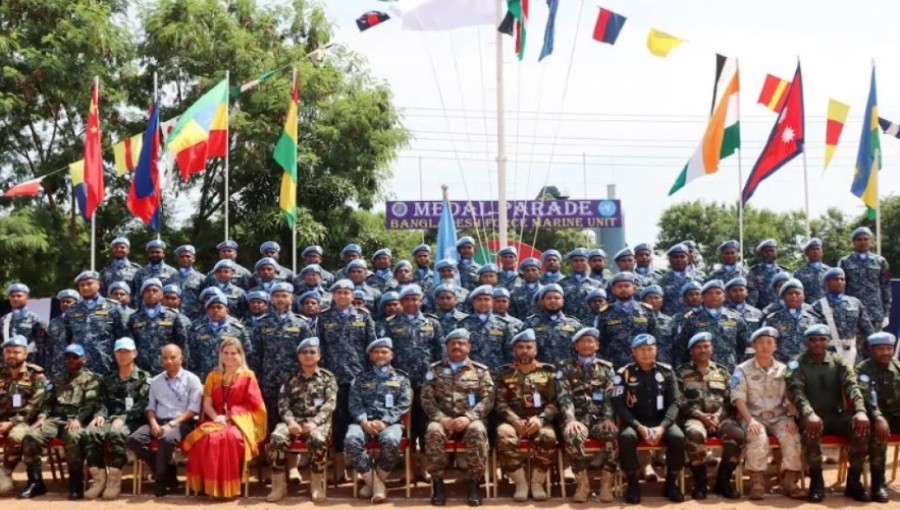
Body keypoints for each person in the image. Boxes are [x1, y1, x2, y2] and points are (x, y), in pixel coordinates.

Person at [786, 324, 869, 502]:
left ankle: (854, 482)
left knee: (861, 429)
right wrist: (809, 413)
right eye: (813, 340)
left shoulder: (838, 361)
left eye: (822, 339)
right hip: (811, 417)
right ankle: (817, 482)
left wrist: (860, 411)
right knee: (811, 433)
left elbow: (852, 386)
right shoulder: (796, 363)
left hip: (836, 415)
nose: (817, 343)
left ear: (828, 342)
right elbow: (796, 391)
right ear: (806, 342)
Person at [182, 337, 267, 499]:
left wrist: (229, 416)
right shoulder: (213, 376)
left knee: (229, 438)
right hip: (215, 419)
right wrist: (216, 417)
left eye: (233, 353)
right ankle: (208, 486)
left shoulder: (248, 376)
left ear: (240, 355)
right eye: (225, 353)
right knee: (206, 439)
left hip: (239, 422)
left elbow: (255, 405)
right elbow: (207, 403)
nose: (229, 356)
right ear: (220, 354)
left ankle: (227, 489)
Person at [375, 283, 443, 479]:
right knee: (403, 425)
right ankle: (408, 465)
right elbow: (385, 354)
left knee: (424, 424)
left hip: (426, 383)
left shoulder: (433, 323)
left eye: (415, 298)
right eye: (407, 299)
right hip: (398, 384)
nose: (411, 302)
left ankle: (423, 465)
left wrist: (437, 378)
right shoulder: (390, 324)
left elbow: (440, 353)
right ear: (401, 302)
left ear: (421, 300)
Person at [421, 328, 495, 506]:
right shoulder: (434, 370)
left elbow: (488, 398)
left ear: (468, 347)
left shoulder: (480, 371)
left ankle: (474, 482)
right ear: (446, 347)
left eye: (461, 343)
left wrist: (469, 417)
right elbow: (426, 398)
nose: (457, 346)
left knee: (477, 430)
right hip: (443, 419)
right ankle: (437, 483)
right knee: (433, 432)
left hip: (470, 420)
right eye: (453, 343)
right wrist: (441, 418)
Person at [731, 327, 805, 499]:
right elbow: (738, 398)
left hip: (780, 416)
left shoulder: (784, 369)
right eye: (761, 343)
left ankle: (790, 481)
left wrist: (792, 418)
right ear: (754, 346)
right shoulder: (742, 370)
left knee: (791, 435)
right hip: (753, 416)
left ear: (775, 346)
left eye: (769, 343)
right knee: (757, 436)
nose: (765, 346)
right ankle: (757, 482)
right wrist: (749, 421)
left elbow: (791, 397)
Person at [20, 344, 99, 499]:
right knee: (31, 436)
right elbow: (47, 402)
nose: (71, 360)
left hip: (77, 420)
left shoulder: (91, 379)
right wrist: (42, 416)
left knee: (73, 437)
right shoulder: (57, 378)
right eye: (68, 357)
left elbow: (91, 404)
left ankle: (75, 482)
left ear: (84, 359)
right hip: (55, 420)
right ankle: (35, 482)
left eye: (75, 357)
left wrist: (79, 419)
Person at [613, 334, 685, 504]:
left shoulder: (667, 372)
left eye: (650, 349)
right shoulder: (623, 373)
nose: (646, 353)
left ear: (656, 351)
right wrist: (638, 427)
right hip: (635, 421)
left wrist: (662, 427)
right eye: (641, 350)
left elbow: (675, 402)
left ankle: (671, 483)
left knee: (678, 437)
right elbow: (619, 406)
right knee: (626, 437)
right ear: (633, 352)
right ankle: (632, 484)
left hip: (662, 421)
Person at [317, 279, 376, 479]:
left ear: (353, 295)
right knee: (338, 423)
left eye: (346, 292)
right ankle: (340, 466)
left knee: (359, 421)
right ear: (333, 295)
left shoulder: (364, 317)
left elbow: (372, 349)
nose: (343, 296)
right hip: (334, 377)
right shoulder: (324, 318)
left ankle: (358, 466)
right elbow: (320, 350)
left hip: (359, 378)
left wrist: (370, 376)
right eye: (339, 292)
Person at [266, 337, 337, 502]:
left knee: (318, 439)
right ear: (298, 356)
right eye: (304, 352)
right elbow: (282, 403)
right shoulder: (290, 377)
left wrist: (315, 423)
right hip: (293, 420)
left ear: (319, 355)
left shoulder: (328, 377)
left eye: (312, 352)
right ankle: (279, 486)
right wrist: (290, 422)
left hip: (317, 421)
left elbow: (330, 404)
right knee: (277, 437)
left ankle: (317, 485)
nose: (308, 355)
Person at [127, 344, 202, 497]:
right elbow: (150, 408)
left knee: (167, 439)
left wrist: (171, 424)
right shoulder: (156, 381)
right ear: (161, 361)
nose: (169, 361)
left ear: (181, 358)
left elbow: (193, 410)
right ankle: (167, 470)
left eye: (173, 357)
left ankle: (160, 480)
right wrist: (153, 423)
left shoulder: (192, 379)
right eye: (165, 358)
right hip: (158, 421)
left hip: (182, 423)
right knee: (133, 440)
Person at [675, 332, 743, 499]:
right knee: (694, 434)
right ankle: (700, 483)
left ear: (712, 349)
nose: (703, 350)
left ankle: (723, 481)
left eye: (706, 346)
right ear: (691, 351)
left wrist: (718, 416)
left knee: (737, 434)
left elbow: (731, 399)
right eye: (698, 347)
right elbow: (678, 399)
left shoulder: (723, 372)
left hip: (720, 418)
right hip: (694, 418)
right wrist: (700, 415)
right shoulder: (681, 372)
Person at [494, 329, 559, 502]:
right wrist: (513, 420)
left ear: (535, 350)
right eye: (520, 347)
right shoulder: (504, 374)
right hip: (512, 419)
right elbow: (499, 402)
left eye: (528, 347)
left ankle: (537, 482)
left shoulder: (548, 372)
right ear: (514, 351)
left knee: (548, 436)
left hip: (539, 420)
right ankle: (520, 482)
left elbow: (555, 401)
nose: (524, 350)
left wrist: (542, 418)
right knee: (504, 436)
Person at [83, 338, 151, 499]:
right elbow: (102, 402)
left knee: (117, 433)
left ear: (134, 353)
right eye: (119, 352)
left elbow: (143, 404)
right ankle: (99, 479)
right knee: (90, 432)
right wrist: (99, 415)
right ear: (114, 354)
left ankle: (114, 480)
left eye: (126, 352)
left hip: (133, 420)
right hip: (110, 419)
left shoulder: (143, 377)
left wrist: (123, 417)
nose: (123, 356)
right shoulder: (108, 379)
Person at [345, 338, 412, 502]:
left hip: (390, 423)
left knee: (390, 441)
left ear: (391, 355)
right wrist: (363, 422)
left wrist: (385, 422)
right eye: (376, 352)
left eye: (384, 352)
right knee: (351, 440)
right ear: (370, 356)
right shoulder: (360, 378)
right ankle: (378, 486)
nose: (380, 355)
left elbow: (404, 403)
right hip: (363, 423)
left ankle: (373, 483)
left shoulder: (402, 378)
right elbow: (354, 403)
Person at [556, 327, 618, 502]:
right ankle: (582, 484)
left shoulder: (607, 368)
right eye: (582, 342)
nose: (586, 345)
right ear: (576, 346)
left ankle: (607, 485)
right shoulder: (565, 367)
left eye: (590, 341)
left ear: (597, 345)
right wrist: (570, 420)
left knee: (612, 434)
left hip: (599, 419)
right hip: (577, 419)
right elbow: (564, 395)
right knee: (573, 434)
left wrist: (608, 418)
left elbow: (609, 396)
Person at [255, 282, 313, 429]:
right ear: (271, 299)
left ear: (291, 298)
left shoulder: (301, 324)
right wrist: (258, 377)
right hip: (269, 377)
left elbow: (310, 353)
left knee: (296, 413)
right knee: (271, 414)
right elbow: (255, 353)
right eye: (276, 296)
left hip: (295, 376)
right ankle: (274, 449)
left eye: (284, 296)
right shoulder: (262, 323)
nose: (280, 299)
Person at [856, 331, 900, 503]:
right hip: (873, 418)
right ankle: (878, 484)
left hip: (896, 417)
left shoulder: (897, 368)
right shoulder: (863, 370)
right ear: (872, 350)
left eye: (889, 348)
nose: (886, 353)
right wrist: (878, 417)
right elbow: (865, 397)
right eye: (881, 349)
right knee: (878, 436)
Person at [0, 335, 47, 497]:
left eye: (16, 352)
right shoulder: (1, 374)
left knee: (17, 437)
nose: (11, 355)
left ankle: (5, 472)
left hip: (26, 421)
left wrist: (11, 423)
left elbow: (35, 404)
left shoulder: (36, 374)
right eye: (8, 352)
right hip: (2, 419)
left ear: (25, 354)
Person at [674, 279, 748, 370]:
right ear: (703, 297)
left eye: (718, 293)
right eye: (710, 293)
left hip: (730, 369)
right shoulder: (691, 319)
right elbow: (682, 348)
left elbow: (743, 346)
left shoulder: (736, 318)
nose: (714, 296)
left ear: (724, 296)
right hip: (700, 372)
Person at [64, 270, 129, 375]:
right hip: (80, 367)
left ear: (98, 284)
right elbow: (67, 338)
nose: (85, 287)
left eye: (89, 284)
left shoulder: (113, 307)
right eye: (82, 285)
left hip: (107, 366)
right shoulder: (72, 310)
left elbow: (123, 336)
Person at [811, 267, 875, 365]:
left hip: (853, 353)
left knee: (852, 379)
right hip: (828, 354)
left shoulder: (855, 303)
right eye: (836, 279)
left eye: (842, 279)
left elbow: (867, 329)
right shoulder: (817, 305)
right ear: (827, 283)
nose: (840, 282)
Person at [127, 278, 191, 375]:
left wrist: (182, 369)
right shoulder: (133, 318)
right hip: (141, 371)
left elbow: (182, 345)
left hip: (167, 369)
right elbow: (130, 346)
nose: (151, 293)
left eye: (155, 290)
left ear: (161, 295)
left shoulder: (173, 317)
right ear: (142, 295)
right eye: (147, 291)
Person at [596, 272, 658, 369]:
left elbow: (654, 337)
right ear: (613, 290)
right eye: (619, 286)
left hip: (643, 364)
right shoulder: (605, 313)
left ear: (633, 289)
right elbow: (600, 342)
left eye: (626, 286)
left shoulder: (646, 310)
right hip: (615, 364)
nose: (623, 289)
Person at [186, 293, 250, 381]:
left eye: (219, 307)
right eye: (212, 307)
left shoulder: (238, 329)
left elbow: (247, 352)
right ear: (207, 311)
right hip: (204, 377)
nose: (215, 310)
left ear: (227, 310)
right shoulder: (198, 329)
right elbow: (192, 356)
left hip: (230, 377)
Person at [839, 227, 892, 331]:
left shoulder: (881, 262)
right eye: (859, 239)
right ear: (853, 242)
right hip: (853, 313)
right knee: (854, 347)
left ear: (871, 241)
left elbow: (886, 288)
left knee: (876, 345)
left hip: (875, 313)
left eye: (865, 239)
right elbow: (840, 289)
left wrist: (886, 314)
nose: (863, 242)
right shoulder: (844, 262)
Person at [762, 279, 823, 362]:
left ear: (804, 296)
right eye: (790, 293)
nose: (794, 296)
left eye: (797, 293)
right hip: (782, 366)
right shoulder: (772, 320)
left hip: (808, 366)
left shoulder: (814, 319)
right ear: (783, 297)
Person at [523, 283, 582, 364]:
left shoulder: (575, 325)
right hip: (539, 372)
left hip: (567, 372)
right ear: (542, 301)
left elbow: (581, 351)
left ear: (563, 301)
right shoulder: (531, 323)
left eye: (557, 298)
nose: (553, 300)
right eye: (549, 298)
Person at [456, 285, 511, 368]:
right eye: (479, 299)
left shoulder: (503, 325)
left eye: (486, 299)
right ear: (473, 302)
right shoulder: (463, 324)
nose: (483, 302)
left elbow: (509, 351)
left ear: (492, 302)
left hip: (497, 372)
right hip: (470, 372)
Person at [1, 284, 47, 364]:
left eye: (19, 296)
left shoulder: (36, 320)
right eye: (12, 296)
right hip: (7, 365)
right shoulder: (3, 320)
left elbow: (42, 346)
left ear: (27, 298)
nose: (15, 298)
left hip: (28, 365)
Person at [558, 248, 602, 322]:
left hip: (591, 324)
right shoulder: (561, 283)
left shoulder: (597, 285)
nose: (579, 263)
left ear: (587, 262)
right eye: (575, 260)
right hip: (568, 325)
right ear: (571, 263)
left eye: (582, 260)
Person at [657, 243, 700, 316]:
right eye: (675, 257)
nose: (679, 259)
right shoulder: (662, 280)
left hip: (693, 320)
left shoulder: (698, 278)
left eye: (682, 257)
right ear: (669, 259)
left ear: (688, 258)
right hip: (669, 321)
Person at [132, 240, 179, 304]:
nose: (155, 254)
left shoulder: (172, 272)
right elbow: (137, 294)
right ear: (148, 254)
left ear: (163, 254)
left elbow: (173, 294)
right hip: (144, 309)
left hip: (164, 309)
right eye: (152, 252)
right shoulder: (140, 272)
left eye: (158, 252)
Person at [746, 239, 789, 309]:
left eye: (771, 251)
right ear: (761, 253)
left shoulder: (784, 272)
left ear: (776, 252)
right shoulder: (754, 272)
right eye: (766, 251)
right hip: (760, 311)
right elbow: (751, 295)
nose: (769, 253)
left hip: (781, 310)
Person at [44, 289, 79, 376]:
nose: (65, 304)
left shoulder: (82, 321)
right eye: (62, 302)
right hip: (57, 368)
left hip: (77, 366)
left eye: (68, 301)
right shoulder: (54, 322)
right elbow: (49, 348)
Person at [170, 245, 207, 320]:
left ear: (193, 259)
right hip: (174, 317)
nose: (185, 259)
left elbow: (205, 299)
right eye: (182, 256)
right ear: (177, 259)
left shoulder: (202, 278)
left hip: (195, 317)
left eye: (188, 256)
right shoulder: (170, 278)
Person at [794, 238, 830, 304]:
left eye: (818, 249)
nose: (815, 251)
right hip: (809, 309)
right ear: (807, 253)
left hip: (828, 308)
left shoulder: (829, 271)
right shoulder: (799, 273)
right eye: (813, 249)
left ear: (822, 252)